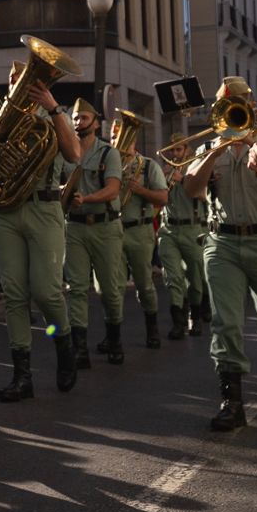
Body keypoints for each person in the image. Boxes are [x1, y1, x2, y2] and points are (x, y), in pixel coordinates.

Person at [184, 78, 257, 430]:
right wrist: (215, 153)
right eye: (224, 104)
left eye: (236, 103)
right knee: (225, 322)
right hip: (222, 244)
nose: (230, 109)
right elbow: (192, 188)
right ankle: (231, 402)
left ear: (249, 105)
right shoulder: (209, 147)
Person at [0, 64, 82, 401]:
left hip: (43, 208)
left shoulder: (51, 117)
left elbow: (75, 154)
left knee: (46, 291)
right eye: (12, 80)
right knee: (14, 294)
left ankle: (64, 344)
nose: (15, 84)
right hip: (6, 212)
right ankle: (22, 375)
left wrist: (53, 107)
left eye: (22, 79)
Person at [55, 99, 124, 367]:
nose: (77, 123)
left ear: (95, 122)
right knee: (76, 288)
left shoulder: (109, 153)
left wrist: (87, 198)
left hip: (105, 226)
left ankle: (114, 339)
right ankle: (80, 349)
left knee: (109, 289)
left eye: (83, 118)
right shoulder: (64, 153)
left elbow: (113, 189)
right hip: (74, 227)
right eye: (74, 118)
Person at [112, 112, 168, 353]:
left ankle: (152, 326)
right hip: (113, 230)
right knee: (112, 287)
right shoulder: (108, 163)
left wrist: (140, 190)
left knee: (144, 284)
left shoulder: (147, 166)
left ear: (132, 138)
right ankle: (112, 336)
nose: (116, 140)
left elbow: (163, 197)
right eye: (113, 136)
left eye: (121, 135)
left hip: (139, 230)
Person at [158, 160, 209, 340]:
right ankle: (177, 322)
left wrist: (183, 180)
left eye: (179, 150)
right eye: (172, 151)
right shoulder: (163, 171)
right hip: (168, 231)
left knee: (195, 278)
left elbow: (204, 195)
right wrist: (160, 180)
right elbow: (157, 200)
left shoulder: (196, 171)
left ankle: (195, 317)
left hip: (193, 229)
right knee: (173, 277)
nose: (175, 155)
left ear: (187, 151)